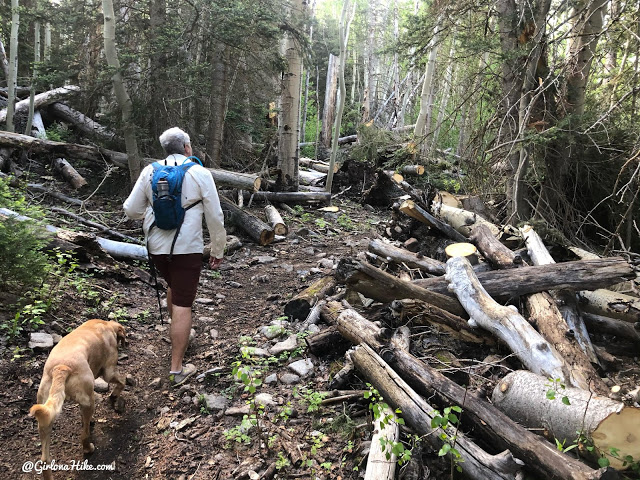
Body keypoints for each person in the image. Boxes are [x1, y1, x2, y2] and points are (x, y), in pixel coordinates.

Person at [124, 127, 226, 386]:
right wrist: (218, 250)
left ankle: (177, 332)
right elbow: (215, 216)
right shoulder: (200, 173)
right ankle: (177, 369)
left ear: (165, 149)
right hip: (187, 248)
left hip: (157, 248)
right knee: (183, 303)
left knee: (173, 288)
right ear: (187, 148)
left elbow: (131, 210)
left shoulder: (150, 171)